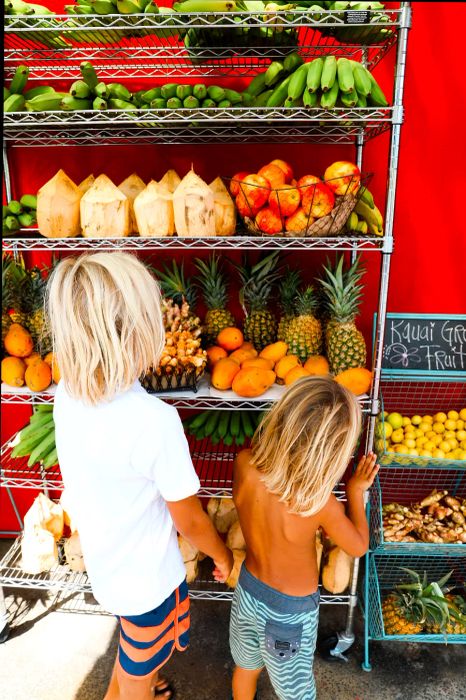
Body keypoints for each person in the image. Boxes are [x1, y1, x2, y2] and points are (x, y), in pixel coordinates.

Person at [46, 252, 233, 700]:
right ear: (133, 335)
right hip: (148, 579)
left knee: (136, 648)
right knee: (138, 672)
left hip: (110, 565)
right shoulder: (154, 421)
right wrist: (222, 555)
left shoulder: (68, 395)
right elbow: (189, 520)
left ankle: (132, 682)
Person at [229, 376, 379, 700]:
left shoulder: (244, 464)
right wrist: (354, 491)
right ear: (332, 454)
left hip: (247, 591)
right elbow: (358, 546)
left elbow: (242, 502)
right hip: (289, 615)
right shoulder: (319, 503)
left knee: (245, 668)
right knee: (295, 693)